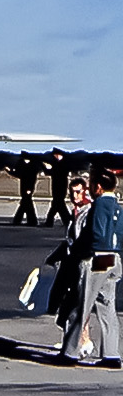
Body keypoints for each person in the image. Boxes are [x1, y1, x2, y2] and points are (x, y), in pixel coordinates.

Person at [67, 170, 123, 368]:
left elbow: (96, 232)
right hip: (115, 257)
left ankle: (70, 352)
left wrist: (82, 253)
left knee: (82, 304)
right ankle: (111, 353)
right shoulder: (117, 206)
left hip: (98, 256)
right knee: (107, 305)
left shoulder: (99, 205)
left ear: (98, 187)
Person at [52, 176, 94, 360]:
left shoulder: (89, 211)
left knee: (78, 305)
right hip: (71, 262)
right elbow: (70, 238)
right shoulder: (74, 212)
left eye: (78, 192)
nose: (74, 195)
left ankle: (82, 341)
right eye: (72, 192)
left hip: (82, 262)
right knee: (70, 304)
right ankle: (75, 339)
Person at [9, 152, 41, 226]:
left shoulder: (32, 166)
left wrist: (30, 188)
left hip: (28, 186)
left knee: (26, 203)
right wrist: (10, 171)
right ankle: (30, 220)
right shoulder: (22, 164)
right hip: (24, 186)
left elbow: (32, 178)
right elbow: (18, 173)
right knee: (26, 203)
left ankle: (25, 220)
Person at [44, 148, 71, 227]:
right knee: (59, 205)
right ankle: (67, 221)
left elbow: (52, 172)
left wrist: (46, 167)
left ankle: (50, 221)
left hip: (60, 187)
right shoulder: (59, 163)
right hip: (57, 186)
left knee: (57, 205)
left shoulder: (63, 164)